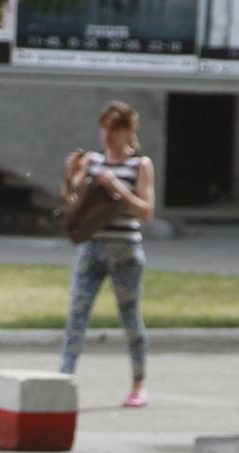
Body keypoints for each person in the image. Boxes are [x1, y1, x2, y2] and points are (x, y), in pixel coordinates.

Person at [59, 100, 155, 409]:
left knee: (130, 318)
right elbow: (73, 200)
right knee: (77, 313)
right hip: (92, 248)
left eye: (115, 128)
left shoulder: (140, 165)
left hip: (125, 251)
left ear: (129, 130)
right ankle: (64, 378)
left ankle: (138, 384)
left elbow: (146, 212)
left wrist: (119, 189)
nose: (107, 134)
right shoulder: (94, 162)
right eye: (104, 127)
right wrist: (70, 174)